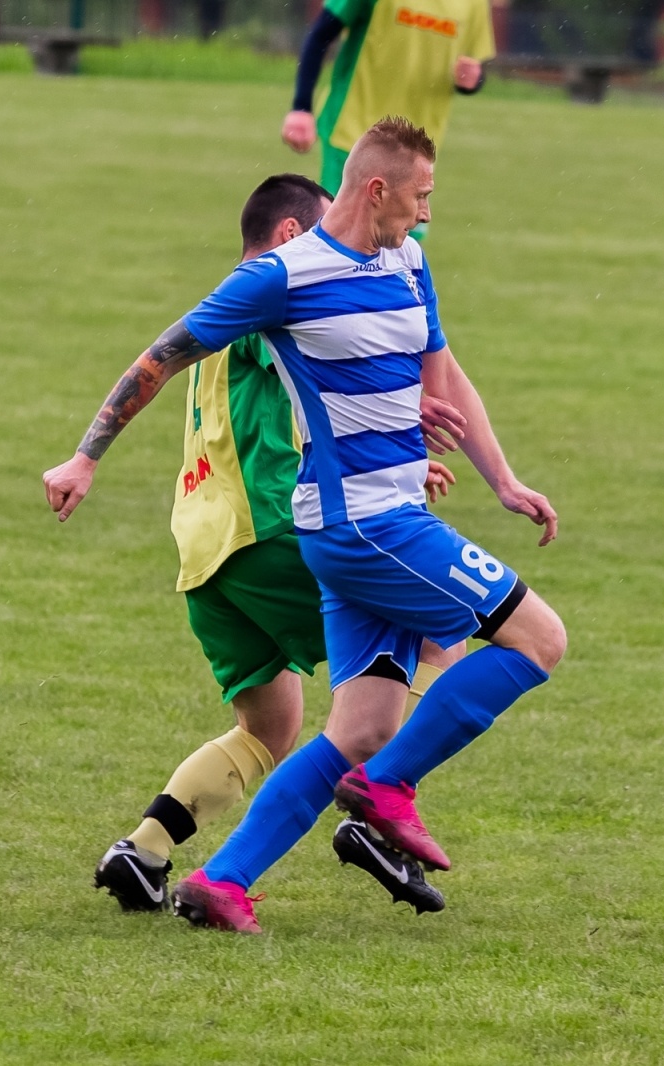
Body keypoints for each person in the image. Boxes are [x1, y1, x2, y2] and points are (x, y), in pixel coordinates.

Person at [162, 116, 567, 934]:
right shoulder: (289, 274)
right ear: (377, 187)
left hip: (372, 521)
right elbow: (163, 352)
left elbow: (444, 377)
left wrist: (505, 478)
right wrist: (83, 457)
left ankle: (223, 879)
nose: (426, 215)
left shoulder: (410, 262)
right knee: (538, 638)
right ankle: (388, 789)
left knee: (361, 727)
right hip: (366, 528)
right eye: (420, 197)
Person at [42, 173, 469, 917]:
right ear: (289, 235)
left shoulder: (228, 304)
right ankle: (374, 817)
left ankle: (145, 850)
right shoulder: (281, 293)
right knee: (439, 634)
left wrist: (86, 456)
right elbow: (328, 387)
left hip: (205, 557)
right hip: (273, 530)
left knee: (270, 727)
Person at [281, 0, 496, 199]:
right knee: (343, 234)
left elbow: (472, 67)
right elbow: (321, 34)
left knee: (403, 238)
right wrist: (301, 107)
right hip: (354, 133)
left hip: (418, 147)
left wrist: (473, 80)